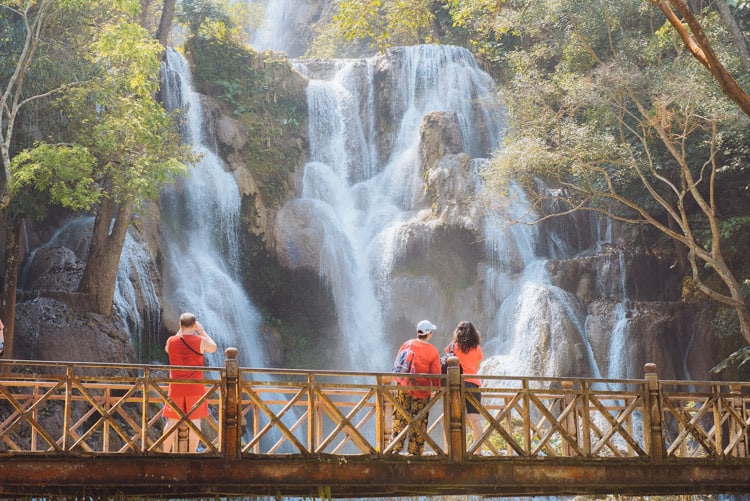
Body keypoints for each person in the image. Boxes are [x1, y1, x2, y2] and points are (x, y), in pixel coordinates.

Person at [163, 312, 217, 452]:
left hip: (176, 388)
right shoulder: (200, 341)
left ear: (180, 325)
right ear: (194, 325)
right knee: (195, 422)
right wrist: (201, 330)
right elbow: (213, 347)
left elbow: (167, 350)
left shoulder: (171, 341)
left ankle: (165, 453)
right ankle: (192, 454)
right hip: (195, 388)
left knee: (171, 421)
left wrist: (181, 331)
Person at [390, 319, 441, 455]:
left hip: (403, 385)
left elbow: (398, 363)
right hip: (421, 390)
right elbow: (436, 374)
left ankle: (395, 447)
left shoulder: (407, 344)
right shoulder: (433, 351)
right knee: (419, 419)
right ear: (429, 334)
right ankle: (415, 451)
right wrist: (437, 389)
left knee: (399, 415)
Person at [447, 320, 484, 445]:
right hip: (473, 384)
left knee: (454, 419)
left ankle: (453, 450)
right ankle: (477, 451)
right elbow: (476, 367)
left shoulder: (452, 347)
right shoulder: (477, 349)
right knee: (475, 420)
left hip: (456, 385)